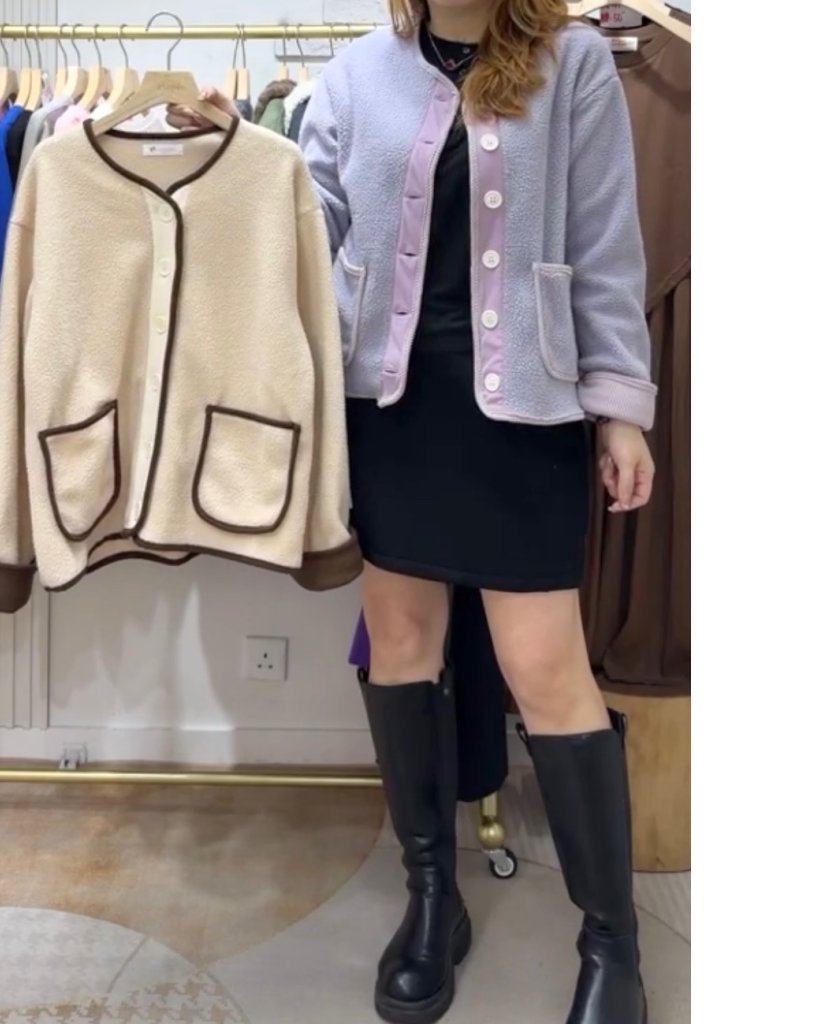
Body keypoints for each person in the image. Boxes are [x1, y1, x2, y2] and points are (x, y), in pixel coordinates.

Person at [171, 2, 656, 1021]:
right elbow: (307, 226)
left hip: (526, 413)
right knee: (399, 648)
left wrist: (620, 407)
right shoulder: (357, 76)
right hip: (392, 412)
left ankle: (612, 942)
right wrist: (236, 155)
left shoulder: (572, 64)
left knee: (545, 671)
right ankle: (432, 896)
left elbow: (605, 244)